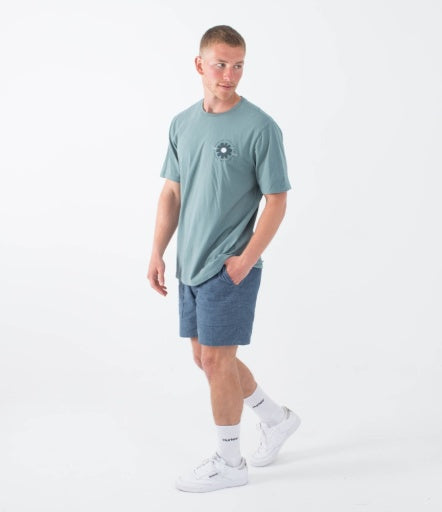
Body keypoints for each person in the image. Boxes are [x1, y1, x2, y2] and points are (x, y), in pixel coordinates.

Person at [147, 25, 300, 493]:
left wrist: (246, 259)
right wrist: (156, 250)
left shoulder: (260, 127)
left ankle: (230, 463)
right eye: (220, 64)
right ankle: (276, 419)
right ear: (200, 65)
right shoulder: (182, 124)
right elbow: (171, 193)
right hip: (189, 264)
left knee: (216, 360)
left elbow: (277, 199)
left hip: (229, 266)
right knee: (208, 360)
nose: (229, 75)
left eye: (237, 66)